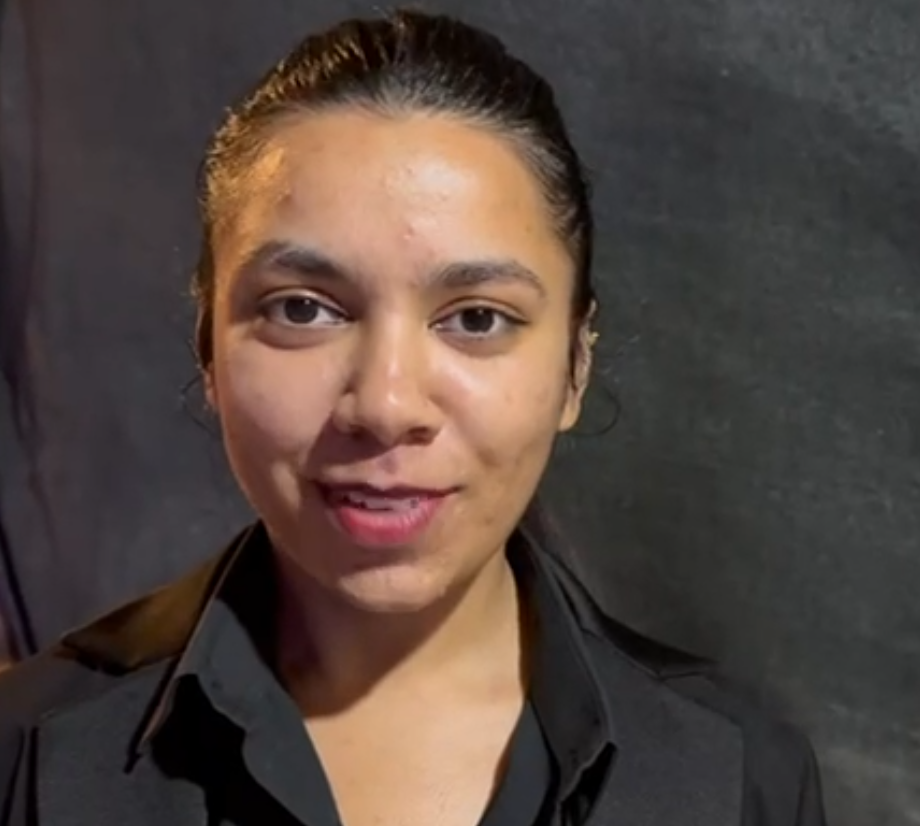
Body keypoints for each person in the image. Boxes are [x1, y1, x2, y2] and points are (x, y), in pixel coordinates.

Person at [0, 9, 827, 826]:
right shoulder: (25, 753)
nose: (387, 406)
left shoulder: (739, 778)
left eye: (476, 318)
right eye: (303, 309)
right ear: (208, 349)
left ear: (575, 366)